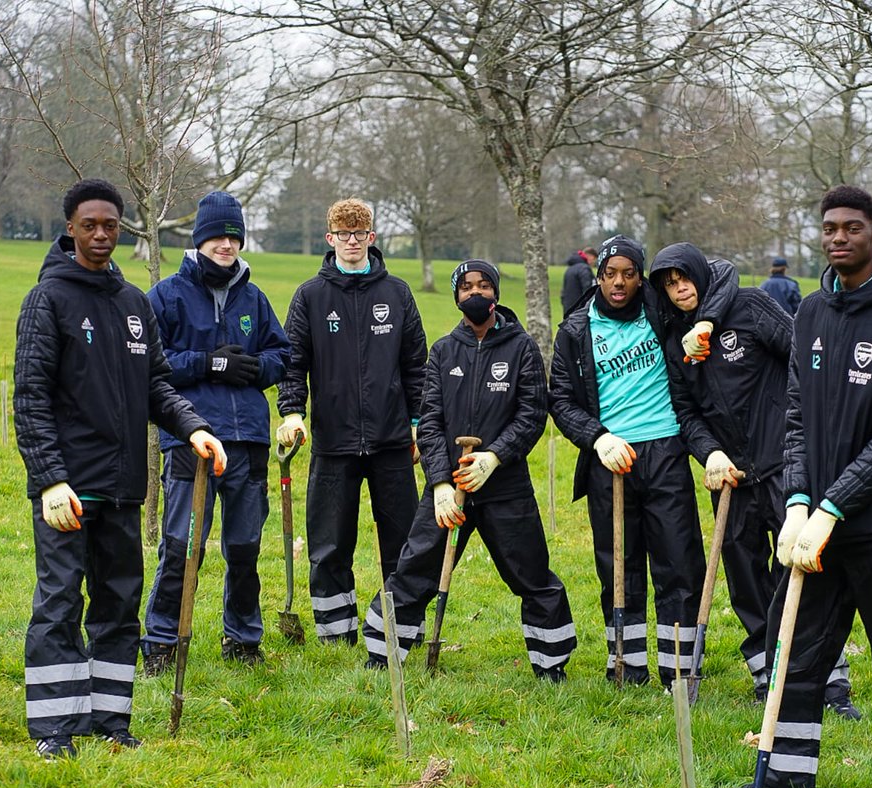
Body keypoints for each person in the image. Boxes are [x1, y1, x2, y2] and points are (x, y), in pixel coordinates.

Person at [728, 186, 872, 788]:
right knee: (792, 650)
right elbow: (795, 415)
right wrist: (799, 499)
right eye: (829, 228)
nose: (838, 237)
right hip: (818, 523)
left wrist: (833, 506)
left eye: (852, 227)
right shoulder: (813, 314)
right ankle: (785, 782)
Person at [14, 179, 227, 760]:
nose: (102, 235)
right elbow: (30, 396)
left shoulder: (135, 303)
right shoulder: (47, 301)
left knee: (118, 601)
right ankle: (55, 731)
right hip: (68, 488)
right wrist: (48, 480)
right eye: (90, 225)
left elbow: (157, 383)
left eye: (111, 225)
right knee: (60, 601)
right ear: (71, 229)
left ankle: (110, 721)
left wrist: (194, 426)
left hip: (123, 485)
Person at [649, 242, 860, 719]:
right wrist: (710, 453)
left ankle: (829, 678)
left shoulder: (749, 306)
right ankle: (770, 676)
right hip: (732, 480)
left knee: (802, 569)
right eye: (668, 284)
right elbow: (686, 413)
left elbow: (802, 359)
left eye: (684, 277)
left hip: (785, 464)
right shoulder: (675, 343)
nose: (679, 288)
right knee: (746, 580)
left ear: (702, 276)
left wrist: (805, 428)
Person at [362, 260, 577, 679]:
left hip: (505, 485)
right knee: (413, 569)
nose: (475, 293)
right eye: (466, 287)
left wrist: (494, 456)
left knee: (531, 573)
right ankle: (382, 654)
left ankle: (552, 664)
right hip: (450, 488)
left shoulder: (522, 347)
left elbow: (532, 414)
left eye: (483, 286)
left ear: (496, 293)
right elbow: (430, 420)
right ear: (456, 295)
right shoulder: (444, 350)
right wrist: (440, 483)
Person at [140, 191, 292, 676]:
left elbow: (282, 356)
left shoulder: (254, 297)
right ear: (199, 239)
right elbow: (149, 363)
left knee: (245, 546)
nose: (225, 245)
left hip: (248, 438)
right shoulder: (166, 295)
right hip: (191, 439)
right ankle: (163, 640)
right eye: (217, 236)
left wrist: (253, 369)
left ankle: (243, 639)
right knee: (184, 545)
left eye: (233, 236)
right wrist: (208, 363)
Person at [549, 234, 703, 689]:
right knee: (619, 564)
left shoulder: (662, 311)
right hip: (612, 458)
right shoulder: (576, 330)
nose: (619, 283)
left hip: (665, 451)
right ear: (597, 276)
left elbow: (720, 278)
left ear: (641, 278)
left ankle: (678, 668)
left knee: (679, 562)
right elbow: (560, 399)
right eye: (610, 274)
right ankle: (626, 664)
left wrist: (704, 325)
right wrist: (596, 439)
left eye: (629, 274)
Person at [276, 197, 427, 645]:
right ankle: (334, 631)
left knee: (403, 543)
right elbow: (293, 362)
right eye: (343, 234)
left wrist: (420, 423)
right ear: (330, 239)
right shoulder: (310, 296)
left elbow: (417, 366)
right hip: (333, 441)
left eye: (360, 234)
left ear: (371, 238)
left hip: (392, 441)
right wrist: (291, 412)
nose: (352, 242)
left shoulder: (397, 294)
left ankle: (400, 628)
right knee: (329, 544)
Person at [560, 247, 597, 317]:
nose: (593, 262)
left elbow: (563, 292)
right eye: (594, 259)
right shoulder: (584, 269)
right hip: (580, 311)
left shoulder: (569, 269)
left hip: (568, 309)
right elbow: (588, 291)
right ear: (590, 256)